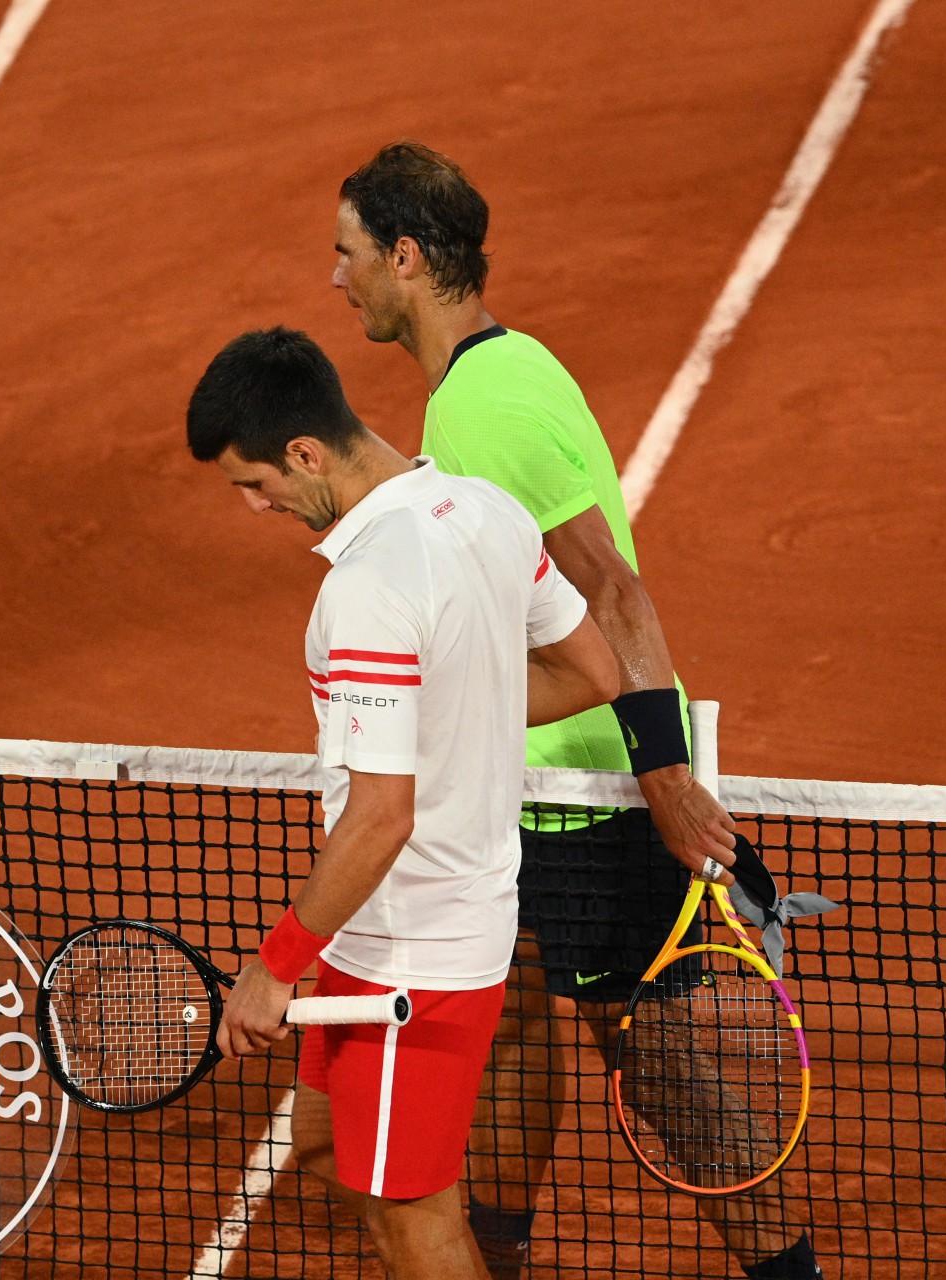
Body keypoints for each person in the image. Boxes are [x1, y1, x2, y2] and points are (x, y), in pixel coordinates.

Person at [330, 142, 822, 1280]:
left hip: (588, 797)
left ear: (405, 258)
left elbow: (612, 589)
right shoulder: (496, 375)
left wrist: (664, 779)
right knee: (510, 1018)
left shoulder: (485, 413)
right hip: (531, 782)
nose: (336, 277)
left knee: (656, 1062)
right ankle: (494, 1251)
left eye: (347, 253)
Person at [187, 327, 620, 1280]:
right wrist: (457, 723)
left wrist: (274, 967)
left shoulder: (371, 588)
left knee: (412, 1220)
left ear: (305, 452)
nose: (258, 507)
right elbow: (594, 672)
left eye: (254, 483)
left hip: (403, 958)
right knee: (331, 1151)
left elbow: (382, 815)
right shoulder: (489, 514)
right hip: (428, 932)